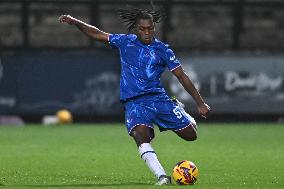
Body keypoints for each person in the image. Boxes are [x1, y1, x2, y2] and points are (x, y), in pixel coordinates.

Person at [59, 8, 210, 185]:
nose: (147, 32)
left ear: (154, 28)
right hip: (135, 102)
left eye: (150, 28)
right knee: (140, 136)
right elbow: (98, 34)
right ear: (136, 29)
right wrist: (76, 22)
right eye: (142, 29)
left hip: (158, 99)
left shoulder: (162, 50)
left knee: (191, 136)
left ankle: (179, 109)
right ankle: (162, 176)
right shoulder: (124, 42)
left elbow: (182, 76)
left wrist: (200, 103)